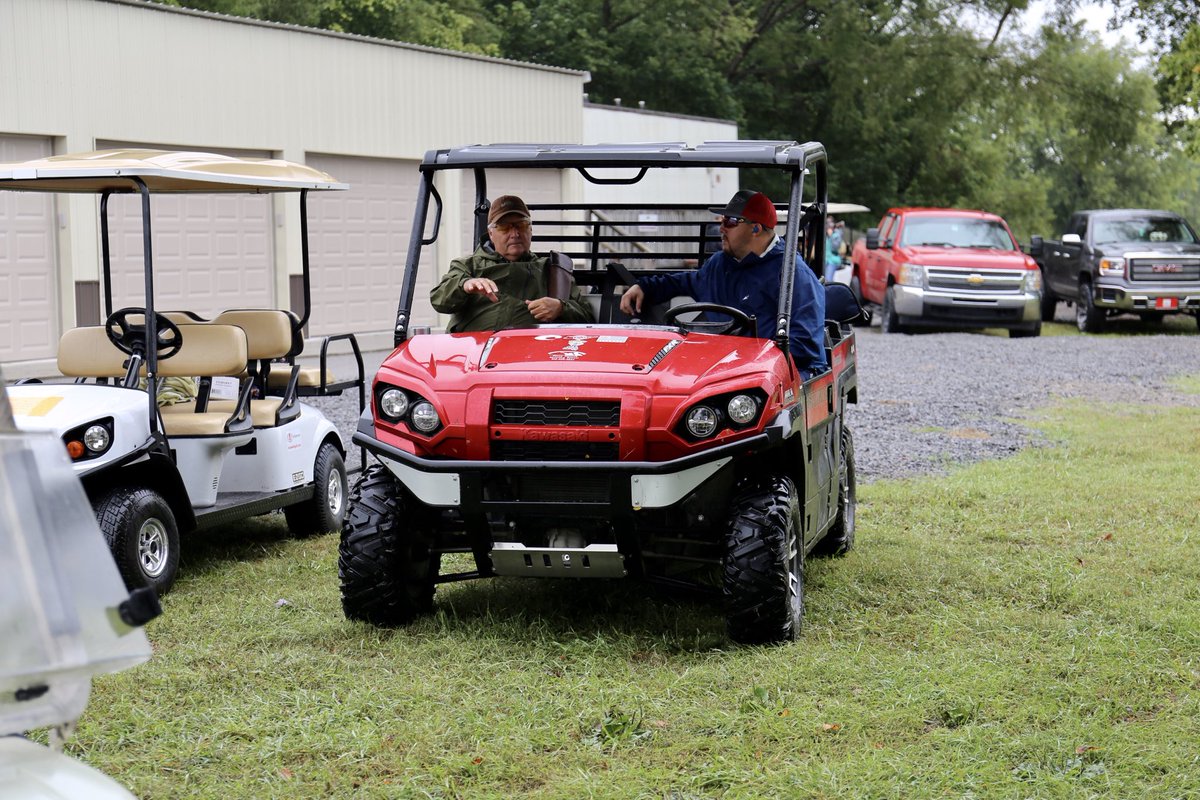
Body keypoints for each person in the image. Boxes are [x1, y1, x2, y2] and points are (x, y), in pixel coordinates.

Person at [619, 189, 828, 379]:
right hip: (726, 369)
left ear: (755, 228)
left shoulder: (795, 276)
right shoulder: (720, 264)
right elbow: (685, 281)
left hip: (775, 373)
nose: (721, 228)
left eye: (730, 222)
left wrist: (751, 361)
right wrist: (645, 287)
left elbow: (803, 346)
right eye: (722, 220)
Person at [430, 195, 594, 332]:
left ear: (531, 230)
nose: (514, 233)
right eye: (504, 227)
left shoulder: (551, 270)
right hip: (477, 354)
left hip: (535, 354)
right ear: (491, 234)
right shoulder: (468, 266)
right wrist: (464, 284)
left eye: (521, 225)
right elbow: (439, 300)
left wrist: (561, 308)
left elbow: (587, 318)